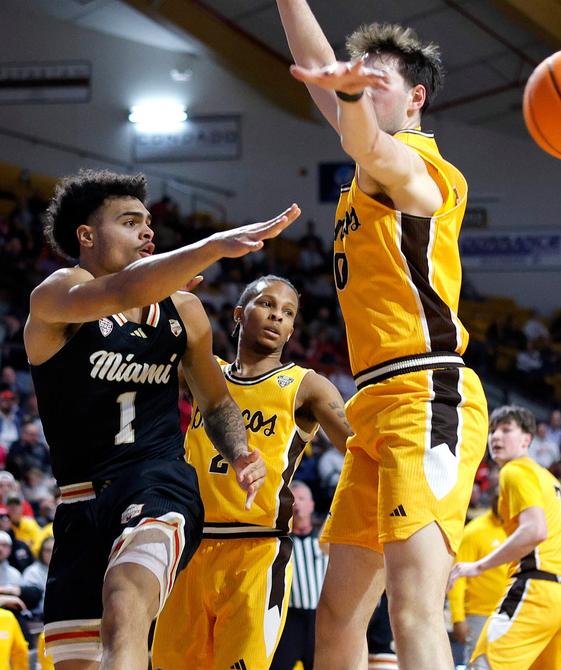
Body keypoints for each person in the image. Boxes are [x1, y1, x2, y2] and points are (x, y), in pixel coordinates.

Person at [272, 0, 489, 667]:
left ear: (415, 97)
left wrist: (349, 98)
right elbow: (318, 68)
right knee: (337, 616)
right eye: (355, 79)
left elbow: (361, 136)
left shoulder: (420, 170)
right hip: (372, 403)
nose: (359, 87)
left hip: (428, 396)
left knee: (412, 606)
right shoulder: (366, 153)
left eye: (377, 81)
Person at [25, 169, 297, 668]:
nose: (148, 232)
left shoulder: (184, 310)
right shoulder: (56, 295)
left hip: (156, 483)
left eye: (149, 223)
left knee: (126, 598)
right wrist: (213, 245)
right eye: (130, 222)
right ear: (86, 236)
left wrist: (238, 451)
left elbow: (214, 403)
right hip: (79, 502)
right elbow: (121, 293)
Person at [152, 276, 353, 670]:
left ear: (293, 329)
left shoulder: (307, 386)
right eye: (267, 304)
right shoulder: (203, 373)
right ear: (240, 313)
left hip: (257, 549)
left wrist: (341, 515)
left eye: (288, 312)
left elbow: (356, 450)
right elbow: (145, 358)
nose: (277, 314)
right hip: (189, 547)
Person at [448, 406, 561, 670]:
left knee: (483, 665)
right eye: (492, 431)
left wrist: (478, 566)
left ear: (527, 439)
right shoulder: (550, 480)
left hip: (534, 589)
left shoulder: (514, 471)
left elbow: (535, 531)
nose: (496, 437)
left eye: (506, 430)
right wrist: (559, 580)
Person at [447, 493, 510, 665]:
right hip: (480, 614)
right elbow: (458, 577)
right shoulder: (474, 532)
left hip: (512, 613)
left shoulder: (519, 530)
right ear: (493, 501)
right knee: (479, 664)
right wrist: (458, 618)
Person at [271, 482, 327, 670]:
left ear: (312, 505)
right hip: (289, 620)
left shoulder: (325, 542)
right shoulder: (278, 544)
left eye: (301, 499)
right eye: (292, 500)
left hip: (321, 620)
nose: (296, 504)